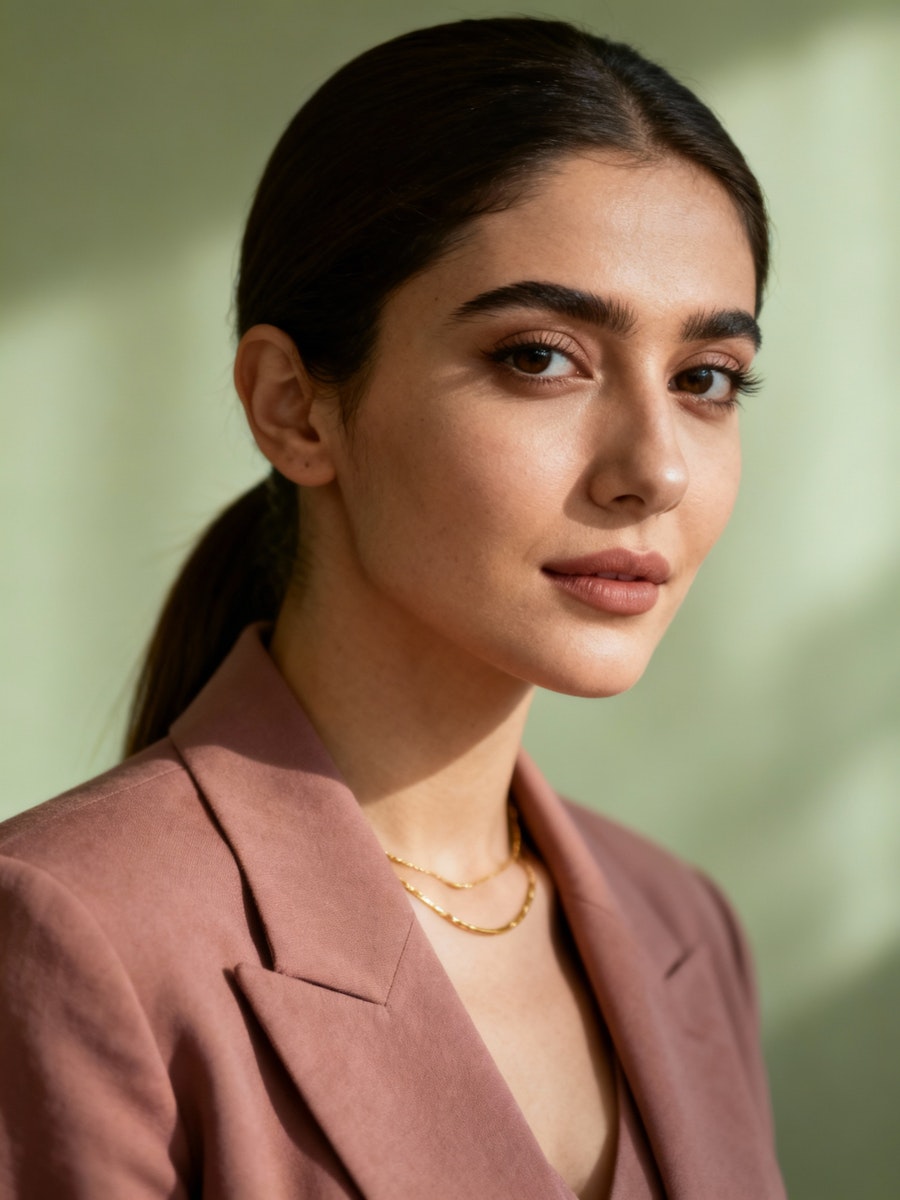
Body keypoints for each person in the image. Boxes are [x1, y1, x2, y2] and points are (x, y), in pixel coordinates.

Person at [0, 16, 786, 1200]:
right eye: (540, 357)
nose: (656, 467)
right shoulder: (73, 934)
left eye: (705, 379)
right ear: (295, 409)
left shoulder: (685, 927)